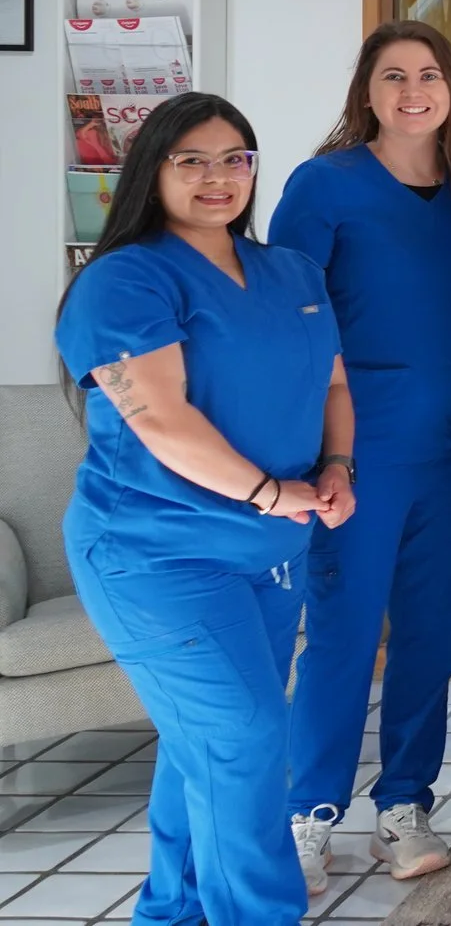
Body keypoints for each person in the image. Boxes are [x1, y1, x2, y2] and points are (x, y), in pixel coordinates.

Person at [57, 92, 356, 926]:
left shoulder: (290, 271)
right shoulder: (123, 280)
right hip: (155, 556)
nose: (218, 176)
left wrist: (337, 464)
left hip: (270, 554)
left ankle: (171, 912)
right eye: (192, 159)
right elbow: (161, 419)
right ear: (152, 169)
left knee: (210, 745)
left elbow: (334, 382)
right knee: (250, 735)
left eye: (236, 158)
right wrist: (270, 490)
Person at [276, 22, 451, 895]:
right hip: (358, 450)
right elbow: (290, 316)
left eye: (429, 74)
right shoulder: (324, 185)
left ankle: (404, 802)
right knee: (341, 633)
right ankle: (309, 814)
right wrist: (329, 452)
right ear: (366, 89)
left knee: (434, 638)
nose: (413, 90)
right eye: (393, 74)